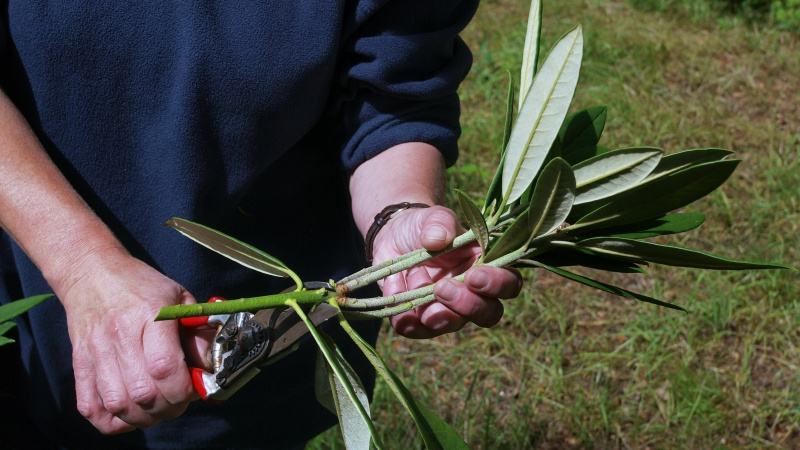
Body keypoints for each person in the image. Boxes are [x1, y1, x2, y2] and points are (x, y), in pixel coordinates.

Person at [0, 1, 522, 448]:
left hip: (265, 350)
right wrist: (80, 264)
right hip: (26, 299)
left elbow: (392, 92)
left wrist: (397, 215)